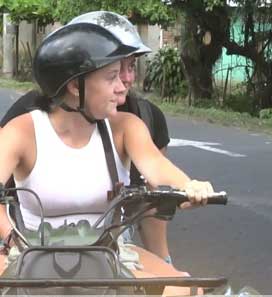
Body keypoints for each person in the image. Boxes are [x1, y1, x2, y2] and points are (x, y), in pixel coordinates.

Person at [0, 21, 214, 274]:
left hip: (112, 257)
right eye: (111, 77)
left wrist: (188, 186)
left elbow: (156, 166)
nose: (122, 86)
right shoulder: (21, 131)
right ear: (74, 85)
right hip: (30, 255)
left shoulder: (126, 127)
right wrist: (11, 238)